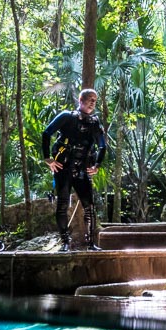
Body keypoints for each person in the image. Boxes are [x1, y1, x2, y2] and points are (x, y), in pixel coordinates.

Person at [42, 89, 106, 251]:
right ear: (81, 100)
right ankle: (65, 242)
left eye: (95, 100)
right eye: (90, 99)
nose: (93, 102)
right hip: (63, 168)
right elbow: (46, 132)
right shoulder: (67, 117)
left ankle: (90, 243)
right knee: (62, 205)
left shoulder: (94, 123)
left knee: (89, 207)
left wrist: (97, 165)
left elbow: (102, 145)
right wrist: (47, 157)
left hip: (82, 169)